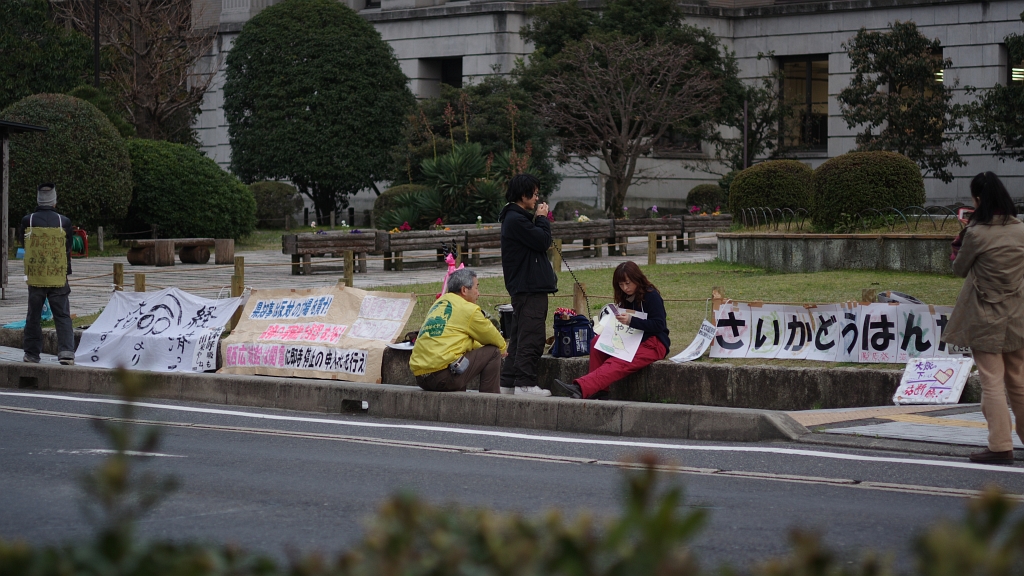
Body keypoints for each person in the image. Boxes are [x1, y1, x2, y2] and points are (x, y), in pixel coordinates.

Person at [944, 172, 1024, 465]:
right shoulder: (1021, 230)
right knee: (1019, 380)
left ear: (978, 201)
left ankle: (1001, 445)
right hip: (1017, 315)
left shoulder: (977, 233)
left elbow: (959, 269)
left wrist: (961, 236)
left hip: (985, 316)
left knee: (992, 381)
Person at [555, 261, 669, 399]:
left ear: (637, 278)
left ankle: (582, 387)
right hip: (632, 337)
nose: (625, 288)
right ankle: (600, 391)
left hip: (654, 343)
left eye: (628, 283)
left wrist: (631, 321)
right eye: (621, 285)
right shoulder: (625, 297)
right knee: (597, 343)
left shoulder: (651, 295)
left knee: (618, 361)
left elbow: (659, 325)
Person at [497, 173, 556, 396]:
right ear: (524, 194)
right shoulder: (516, 219)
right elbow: (542, 241)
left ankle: (509, 382)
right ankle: (525, 384)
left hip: (525, 287)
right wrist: (542, 218)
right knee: (532, 336)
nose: (537, 198)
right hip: (529, 288)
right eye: (535, 193)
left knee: (520, 335)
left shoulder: (515, 217)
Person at [410, 268, 507, 393]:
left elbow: (461, 340)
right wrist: (503, 348)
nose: (478, 293)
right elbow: (492, 335)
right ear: (464, 290)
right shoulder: (468, 309)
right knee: (494, 351)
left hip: (421, 378)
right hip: (442, 377)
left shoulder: (439, 303)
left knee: (459, 358)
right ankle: (491, 401)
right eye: (476, 288)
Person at [18, 183, 75, 365]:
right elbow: (68, 248)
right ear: (54, 201)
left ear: (38, 199)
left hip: (36, 276)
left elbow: (24, 243)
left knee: (33, 316)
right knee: (62, 315)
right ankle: (66, 351)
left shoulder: (28, 220)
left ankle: (32, 354)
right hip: (58, 276)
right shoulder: (63, 222)